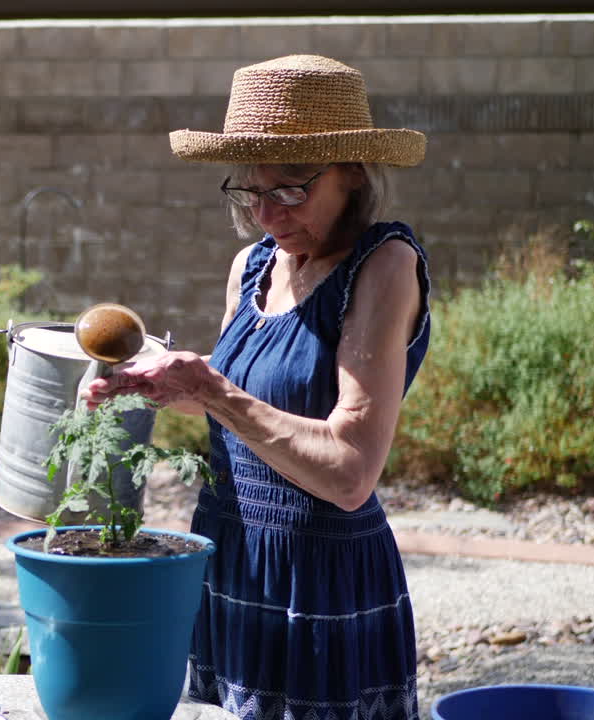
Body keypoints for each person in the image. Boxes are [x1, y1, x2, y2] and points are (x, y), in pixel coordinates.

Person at [83, 54, 431, 719]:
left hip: (319, 580)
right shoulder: (253, 267)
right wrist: (162, 387)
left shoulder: (384, 266)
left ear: (352, 175)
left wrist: (213, 391)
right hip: (230, 555)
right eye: (250, 191)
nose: (267, 212)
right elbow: (250, 404)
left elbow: (350, 471)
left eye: (290, 190)